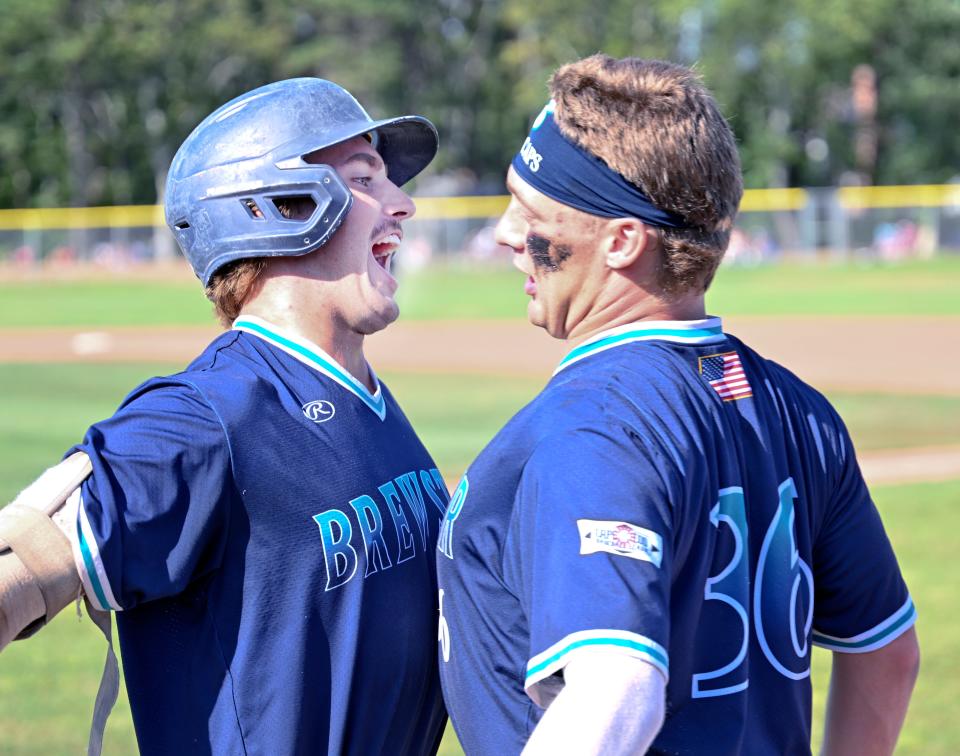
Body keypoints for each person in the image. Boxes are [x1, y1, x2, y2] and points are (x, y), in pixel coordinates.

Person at [436, 55, 919, 755]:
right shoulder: (799, 410)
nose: (509, 233)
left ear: (622, 241)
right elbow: (888, 655)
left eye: (532, 211)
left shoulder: (596, 426)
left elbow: (616, 692)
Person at [0, 78, 450, 755]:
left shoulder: (365, 399)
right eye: (365, 178)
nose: (403, 203)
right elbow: (23, 559)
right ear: (278, 207)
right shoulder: (204, 418)